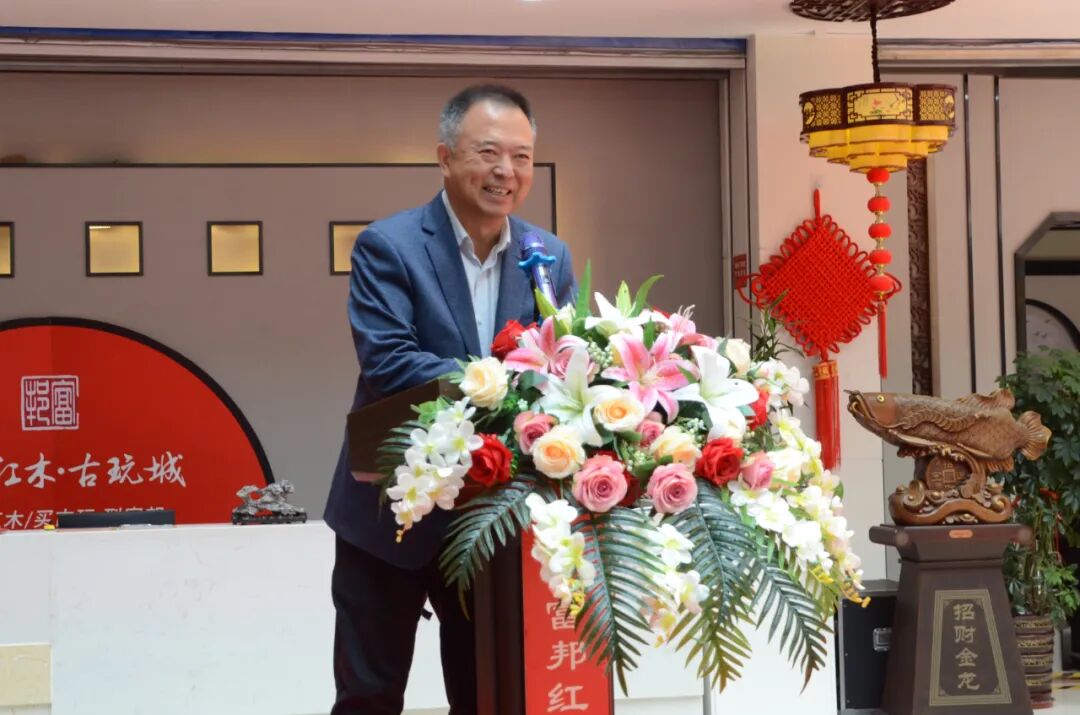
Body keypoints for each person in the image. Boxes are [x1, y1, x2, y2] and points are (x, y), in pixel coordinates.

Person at [324, 85, 577, 715]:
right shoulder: (389, 246)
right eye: (488, 152)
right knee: (369, 695)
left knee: (488, 692)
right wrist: (501, 380)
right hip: (390, 514)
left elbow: (563, 363)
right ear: (444, 157)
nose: (505, 171)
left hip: (490, 521)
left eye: (521, 156)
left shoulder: (547, 257)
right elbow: (389, 361)